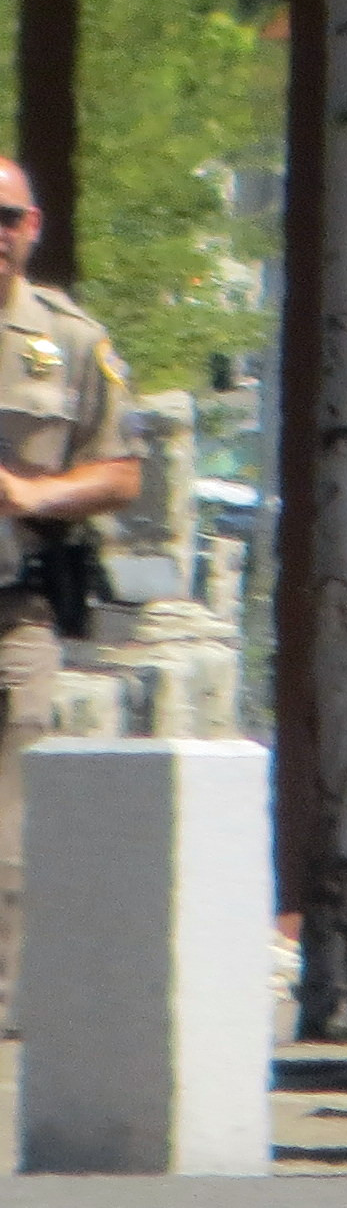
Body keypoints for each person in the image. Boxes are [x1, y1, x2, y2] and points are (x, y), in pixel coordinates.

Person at [0, 157, 144, 1030]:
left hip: (15, 611)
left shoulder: (72, 341)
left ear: (33, 224)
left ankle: (5, 1009)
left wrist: (33, 493)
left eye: (6, 216)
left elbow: (122, 472)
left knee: (9, 825)